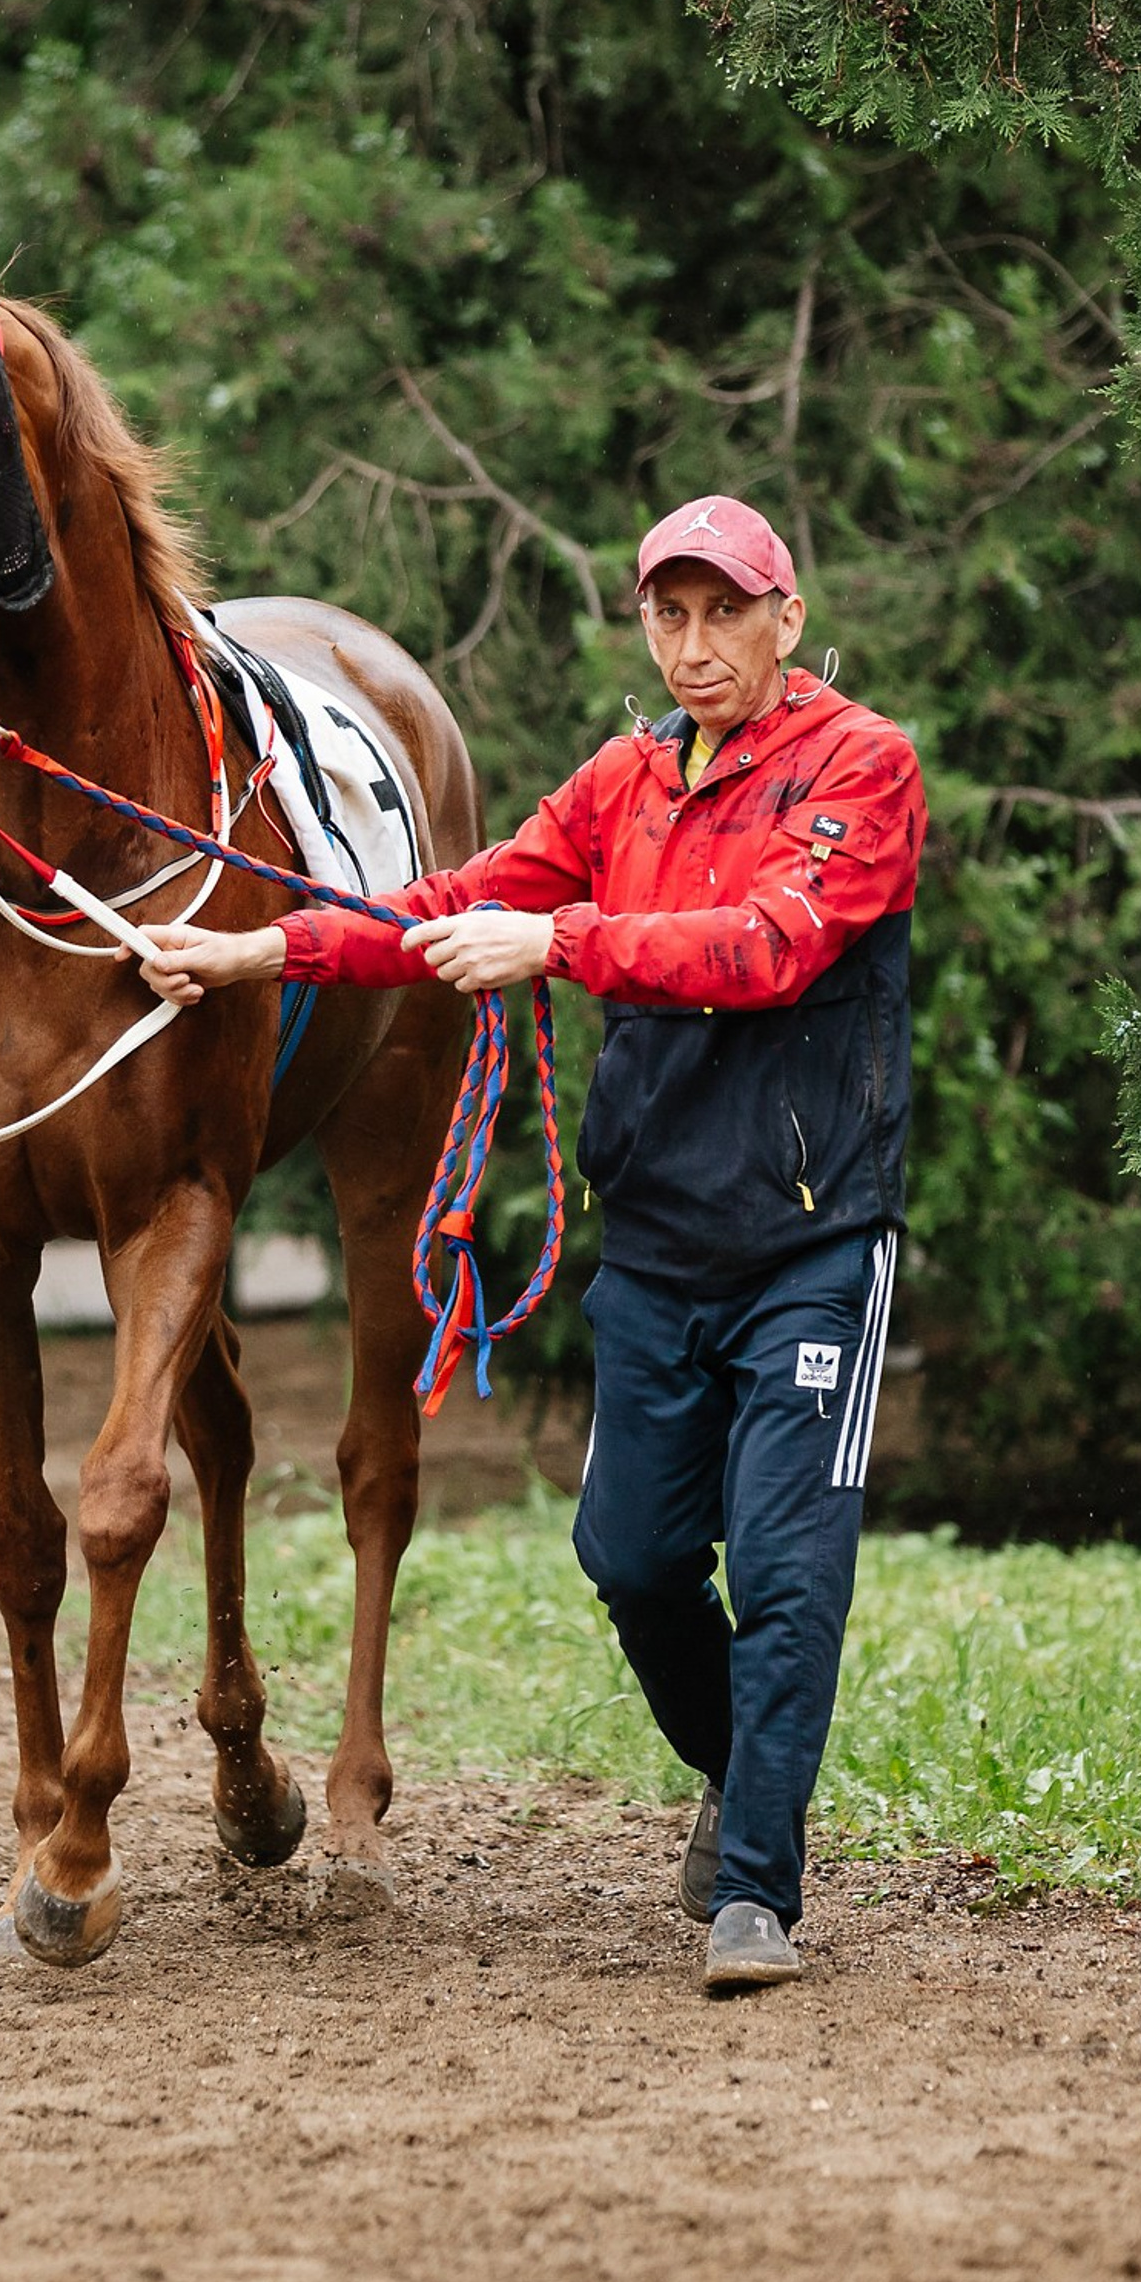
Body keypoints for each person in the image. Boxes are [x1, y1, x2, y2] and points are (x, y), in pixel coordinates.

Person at [140, 497, 925, 1992]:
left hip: (815, 1245)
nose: (695, 646)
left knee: (785, 1570)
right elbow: (447, 905)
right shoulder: (623, 784)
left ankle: (755, 1892)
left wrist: (558, 944)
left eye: (725, 613)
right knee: (628, 1557)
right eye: (669, 616)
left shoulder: (861, 766)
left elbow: (771, 947)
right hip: (660, 1250)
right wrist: (260, 949)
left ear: (788, 619)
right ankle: (742, 1769)